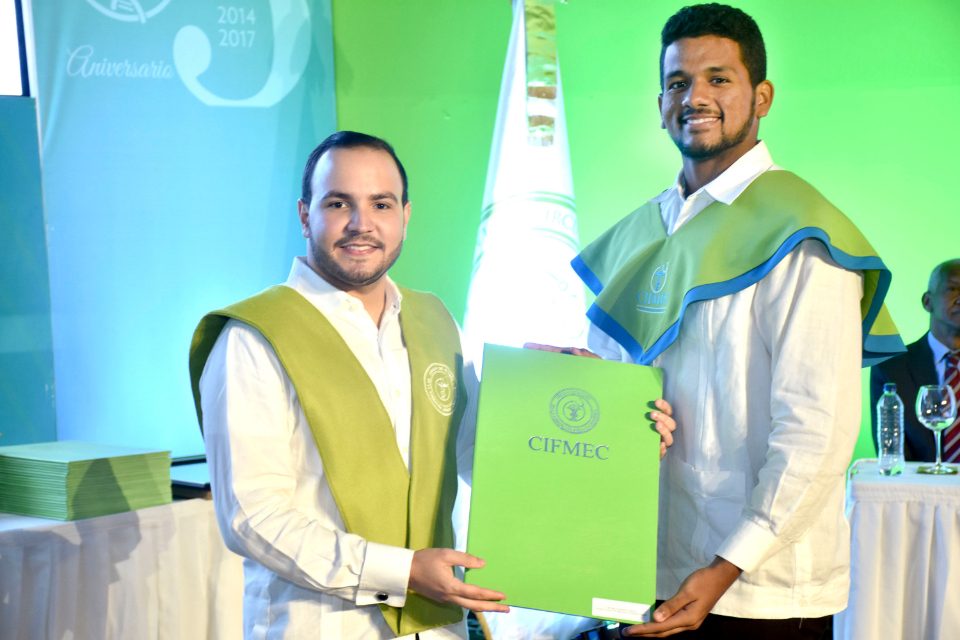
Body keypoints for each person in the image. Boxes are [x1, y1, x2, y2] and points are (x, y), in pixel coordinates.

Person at [568, 4, 903, 638]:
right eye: (677, 82)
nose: (695, 97)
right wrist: (574, 388)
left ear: (762, 97)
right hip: (641, 571)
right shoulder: (642, 233)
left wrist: (727, 566)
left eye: (718, 79)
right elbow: (616, 399)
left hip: (760, 593)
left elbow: (816, 431)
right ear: (660, 103)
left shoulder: (804, 235)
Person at [188, 131, 510, 639]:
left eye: (381, 204)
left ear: (405, 216)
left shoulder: (435, 320)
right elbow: (253, 517)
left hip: (437, 628)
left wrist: (556, 396)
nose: (361, 223)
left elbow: (478, 456)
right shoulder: (254, 338)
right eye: (338, 203)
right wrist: (401, 572)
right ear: (304, 215)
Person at [870, 259, 960, 463]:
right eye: (953, 288)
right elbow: (892, 454)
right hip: (917, 482)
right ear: (927, 302)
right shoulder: (891, 367)